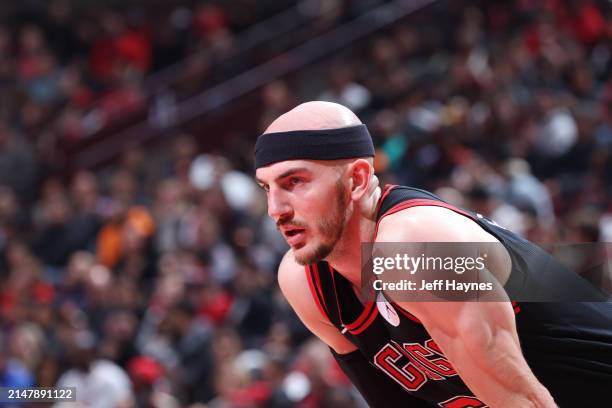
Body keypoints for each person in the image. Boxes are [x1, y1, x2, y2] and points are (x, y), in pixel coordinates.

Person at [253, 101, 612, 407]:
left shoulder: (413, 247)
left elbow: (524, 402)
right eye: (266, 187)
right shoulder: (304, 282)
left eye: (294, 182)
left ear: (359, 179)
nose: (275, 209)